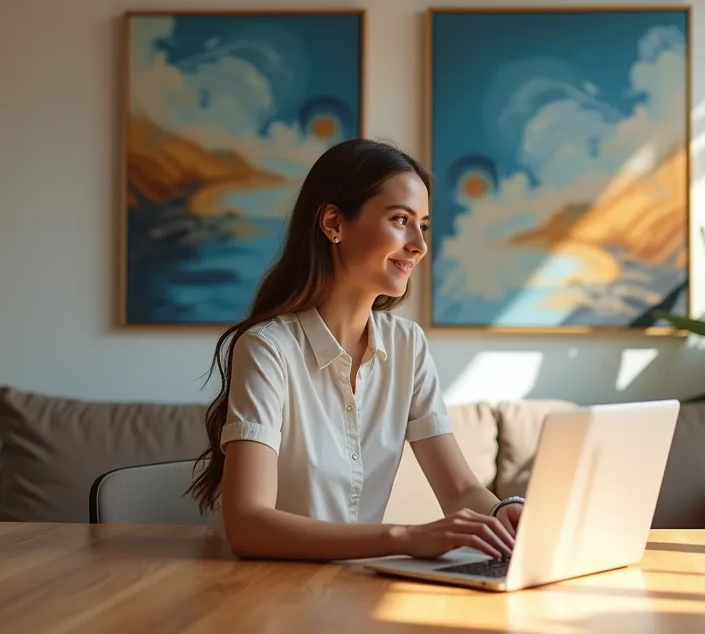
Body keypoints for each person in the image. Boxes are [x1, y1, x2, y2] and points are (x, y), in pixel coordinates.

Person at [185, 138, 525, 562]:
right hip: (263, 591)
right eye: (400, 219)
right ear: (333, 223)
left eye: (423, 224)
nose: (418, 244)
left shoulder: (408, 345)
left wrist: (503, 511)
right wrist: (405, 538)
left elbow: (458, 489)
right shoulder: (267, 349)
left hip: (354, 583)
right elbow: (248, 524)